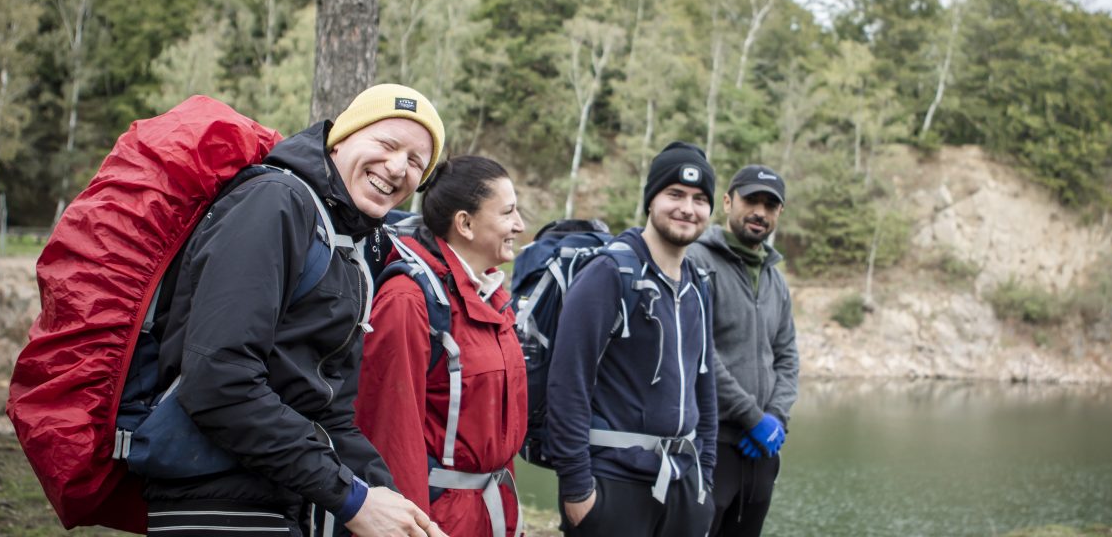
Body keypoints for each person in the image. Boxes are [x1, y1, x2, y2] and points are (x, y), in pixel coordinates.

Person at [147, 84, 451, 537]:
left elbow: (327, 413)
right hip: (216, 504)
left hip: (276, 496)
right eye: (388, 144)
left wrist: (400, 514)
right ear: (341, 137)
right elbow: (218, 380)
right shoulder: (275, 203)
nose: (397, 167)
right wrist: (352, 498)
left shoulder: (350, 246)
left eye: (415, 162)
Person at [546, 141, 719, 537]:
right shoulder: (608, 273)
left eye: (698, 199)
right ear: (651, 199)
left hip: (683, 485)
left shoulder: (699, 285)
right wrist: (577, 490)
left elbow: (705, 388)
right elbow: (567, 382)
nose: (686, 208)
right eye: (674, 194)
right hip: (613, 486)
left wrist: (705, 478)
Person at [356, 155, 528, 537]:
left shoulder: (493, 298)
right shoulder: (408, 300)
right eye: (508, 213)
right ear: (465, 223)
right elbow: (390, 437)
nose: (519, 225)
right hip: (438, 522)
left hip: (491, 512)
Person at [687, 164, 799, 537]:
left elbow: (786, 356)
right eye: (751, 200)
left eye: (770, 206)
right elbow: (701, 350)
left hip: (762, 451)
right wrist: (754, 418)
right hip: (710, 443)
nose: (760, 213)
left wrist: (776, 420)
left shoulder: (775, 278)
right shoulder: (698, 261)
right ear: (727, 201)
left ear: (779, 213)